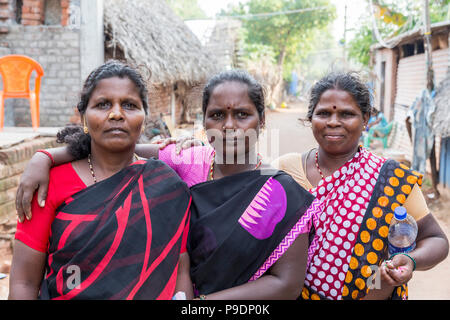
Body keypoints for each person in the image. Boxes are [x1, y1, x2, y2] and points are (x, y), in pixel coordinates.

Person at [14, 69, 321, 299]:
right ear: (203, 122)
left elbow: (287, 284)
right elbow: (115, 146)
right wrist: (45, 156)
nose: (229, 126)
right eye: (217, 115)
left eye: (242, 115)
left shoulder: (277, 191)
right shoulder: (184, 162)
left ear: (261, 120)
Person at [9, 61, 191, 300]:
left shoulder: (166, 185)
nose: (116, 114)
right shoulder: (48, 185)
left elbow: (180, 271)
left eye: (129, 105)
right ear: (84, 117)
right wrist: (43, 157)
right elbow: (24, 282)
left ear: (144, 117)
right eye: (103, 104)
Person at [272, 72, 449, 300]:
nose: (334, 122)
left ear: (365, 119)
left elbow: (437, 240)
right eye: (324, 113)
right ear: (311, 117)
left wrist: (412, 261)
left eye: (347, 114)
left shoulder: (392, 180)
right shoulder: (284, 170)